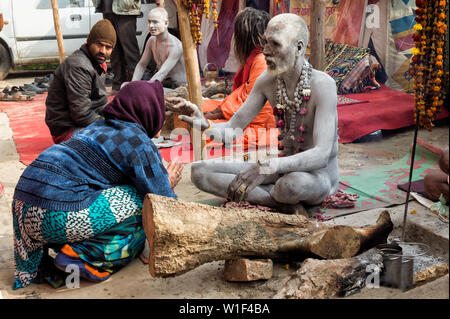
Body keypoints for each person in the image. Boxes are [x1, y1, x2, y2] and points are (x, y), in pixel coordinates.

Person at [12, 81, 183, 290]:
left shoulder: (95, 126)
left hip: (23, 209)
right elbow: (163, 201)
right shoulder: (138, 141)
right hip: (55, 216)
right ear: (149, 110)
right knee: (142, 199)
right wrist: (168, 183)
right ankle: (82, 257)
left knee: (110, 195)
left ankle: (59, 250)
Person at [166, 13, 339, 212]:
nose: (265, 51)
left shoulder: (323, 85)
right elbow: (233, 129)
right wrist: (204, 124)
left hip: (316, 178)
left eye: (275, 44)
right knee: (199, 171)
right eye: (265, 42)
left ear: (298, 48)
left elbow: (321, 155)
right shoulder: (267, 81)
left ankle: (274, 198)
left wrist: (268, 166)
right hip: (280, 168)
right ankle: (282, 205)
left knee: (289, 186)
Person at [203, 7, 276, 150]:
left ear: (245, 38)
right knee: (198, 106)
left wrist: (217, 112)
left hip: (260, 122)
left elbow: (258, 106)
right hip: (240, 112)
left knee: (204, 133)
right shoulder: (255, 56)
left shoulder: (262, 60)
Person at [45, 19, 116, 144]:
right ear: (89, 42)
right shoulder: (79, 65)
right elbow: (82, 115)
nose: (103, 51)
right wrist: (110, 126)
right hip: (68, 131)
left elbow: (98, 104)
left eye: (108, 47)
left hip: (82, 124)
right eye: (99, 44)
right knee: (121, 140)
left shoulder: (96, 63)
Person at [127, 7, 187, 89]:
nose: (151, 26)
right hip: (162, 83)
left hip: (179, 88)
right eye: (149, 22)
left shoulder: (175, 47)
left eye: (155, 22)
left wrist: (146, 88)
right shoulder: (152, 40)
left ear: (166, 23)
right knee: (125, 86)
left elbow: (162, 73)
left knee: (143, 92)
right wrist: (132, 85)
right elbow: (141, 65)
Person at [93, 0, 142, 93]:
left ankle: (136, 86)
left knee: (129, 51)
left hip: (126, 8)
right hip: (106, 8)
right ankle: (117, 86)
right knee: (113, 51)